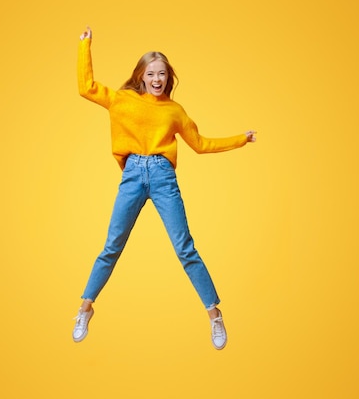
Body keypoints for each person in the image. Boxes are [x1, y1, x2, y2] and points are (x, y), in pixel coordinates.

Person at [72, 26, 256, 350]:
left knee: (185, 248)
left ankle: (215, 315)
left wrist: (241, 139)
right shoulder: (121, 99)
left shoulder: (174, 111)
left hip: (162, 176)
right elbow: (86, 87)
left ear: (167, 78)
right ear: (141, 76)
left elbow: (200, 143)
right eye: (151, 73)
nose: (157, 79)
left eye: (162, 74)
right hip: (132, 175)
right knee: (112, 245)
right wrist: (85, 44)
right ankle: (85, 307)